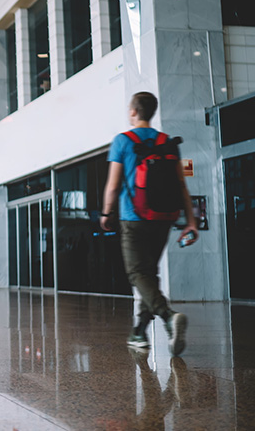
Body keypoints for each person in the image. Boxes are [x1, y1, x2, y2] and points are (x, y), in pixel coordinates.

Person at [100, 92, 198, 356]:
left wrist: (106, 213)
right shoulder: (167, 141)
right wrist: (190, 221)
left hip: (133, 218)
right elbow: (181, 184)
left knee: (137, 274)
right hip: (164, 218)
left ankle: (168, 317)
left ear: (133, 111)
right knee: (149, 274)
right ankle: (139, 332)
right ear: (152, 112)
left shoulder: (122, 141)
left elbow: (112, 185)